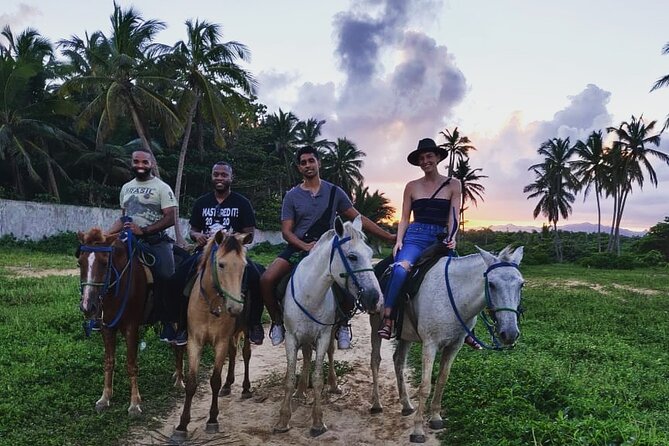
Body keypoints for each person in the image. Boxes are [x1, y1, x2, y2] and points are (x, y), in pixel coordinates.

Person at [260, 146, 396, 349]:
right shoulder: (292, 196)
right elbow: (287, 232)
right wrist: (305, 246)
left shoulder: (334, 192)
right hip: (299, 247)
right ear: (299, 167)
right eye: (303, 162)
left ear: (318, 163)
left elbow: (358, 217)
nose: (308, 165)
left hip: (330, 249)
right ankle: (278, 322)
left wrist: (388, 236)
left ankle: (342, 324)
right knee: (266, 279)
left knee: (349, 283)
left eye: (311, 161)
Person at [376, 138, 481, 349]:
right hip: (415, 235)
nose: (425, 161)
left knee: (460, 275)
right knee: (399, 271)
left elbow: (453, 215)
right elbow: (405, 217)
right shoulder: (412, 186)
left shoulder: (454, 184)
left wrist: (452, 236)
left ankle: (468, 329)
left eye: (429, 156)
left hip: (440, 237)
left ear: (438, 157)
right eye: (421, 158)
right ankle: (388, 318)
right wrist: (399, 241)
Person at [187, 161, 265, 344]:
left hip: (233, 255)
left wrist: (234, 237)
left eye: (224, 175)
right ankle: (180, 325)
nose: (220, 178)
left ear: (231, 178)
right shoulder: (201, 202)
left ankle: (254, 323)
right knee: (178, 277)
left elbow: (250, 233)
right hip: (205, 253)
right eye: (216, 174)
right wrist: (197, 235)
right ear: (212, 177)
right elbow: (193, 230)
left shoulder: (242, 203)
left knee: (257, 278)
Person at [104, 149, 178, 339]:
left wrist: (144, 231)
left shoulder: (162, 187)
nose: (140, 165)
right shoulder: (126, 187)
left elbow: (170, 218)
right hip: (128, 239)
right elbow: (124, 218)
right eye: (136, 161)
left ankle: (167, 321)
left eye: (144, 162)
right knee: (103, 266)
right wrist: (108, 234)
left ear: (151, 164)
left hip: (154, 241)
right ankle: (102, 314)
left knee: (167, 274)